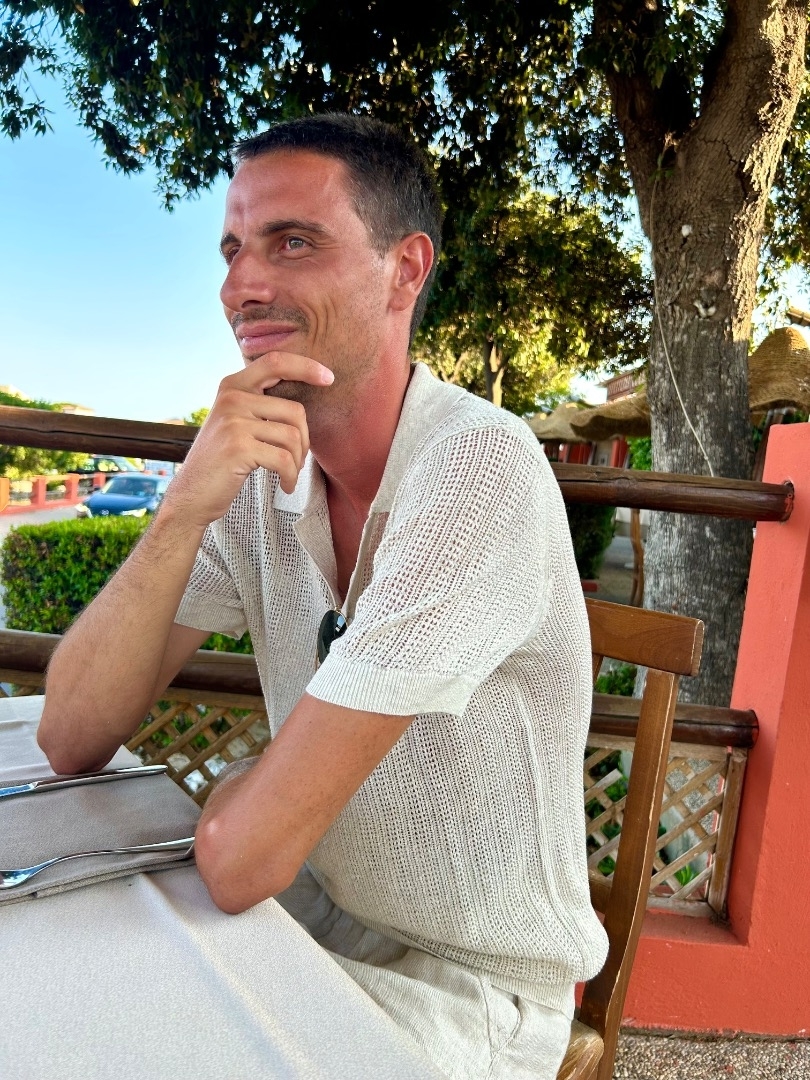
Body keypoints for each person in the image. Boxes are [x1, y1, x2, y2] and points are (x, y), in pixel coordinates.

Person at [38, 114, 607, 1079]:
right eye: (233, 250)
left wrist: (238, 791)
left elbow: (238, 858)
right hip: (310, 914)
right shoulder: (258, 482)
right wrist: (182, 507)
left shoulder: (476, 469)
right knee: (63, 1004)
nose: (243, 286)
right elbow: (71, 732)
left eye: (293, 242)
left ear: (404, 270)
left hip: (472, 987)